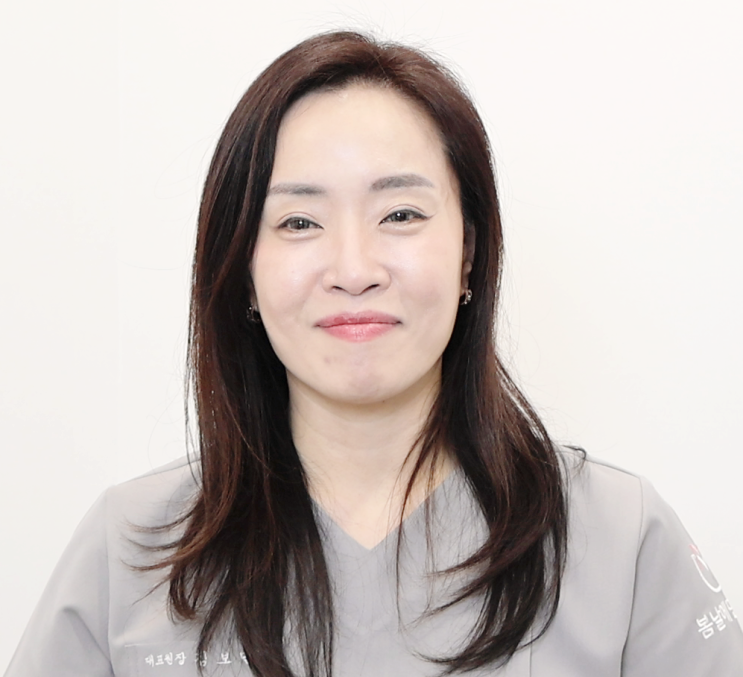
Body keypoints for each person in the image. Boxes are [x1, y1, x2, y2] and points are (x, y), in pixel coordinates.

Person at [6, 31, 742, 677]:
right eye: (299, 221)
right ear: (244, 271)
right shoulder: (132, 549)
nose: (353, 268)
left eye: (400, 213)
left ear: (468, 253)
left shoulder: (620, 541)